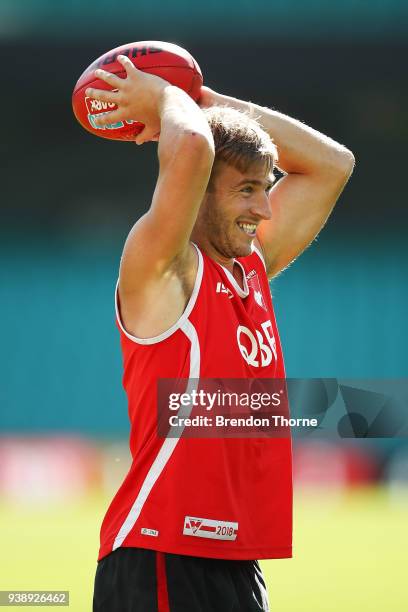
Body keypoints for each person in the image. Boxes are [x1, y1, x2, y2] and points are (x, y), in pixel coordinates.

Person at [88, 55, 354, 611]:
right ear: (200, 193)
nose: (263, 209)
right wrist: (164, 95)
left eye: (265, 189)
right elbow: (190, 151)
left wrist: (206, 101)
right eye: (247, 191)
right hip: (161, 553)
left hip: (235, 561)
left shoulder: (250, 268)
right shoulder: (162, 266)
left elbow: (333, 164)